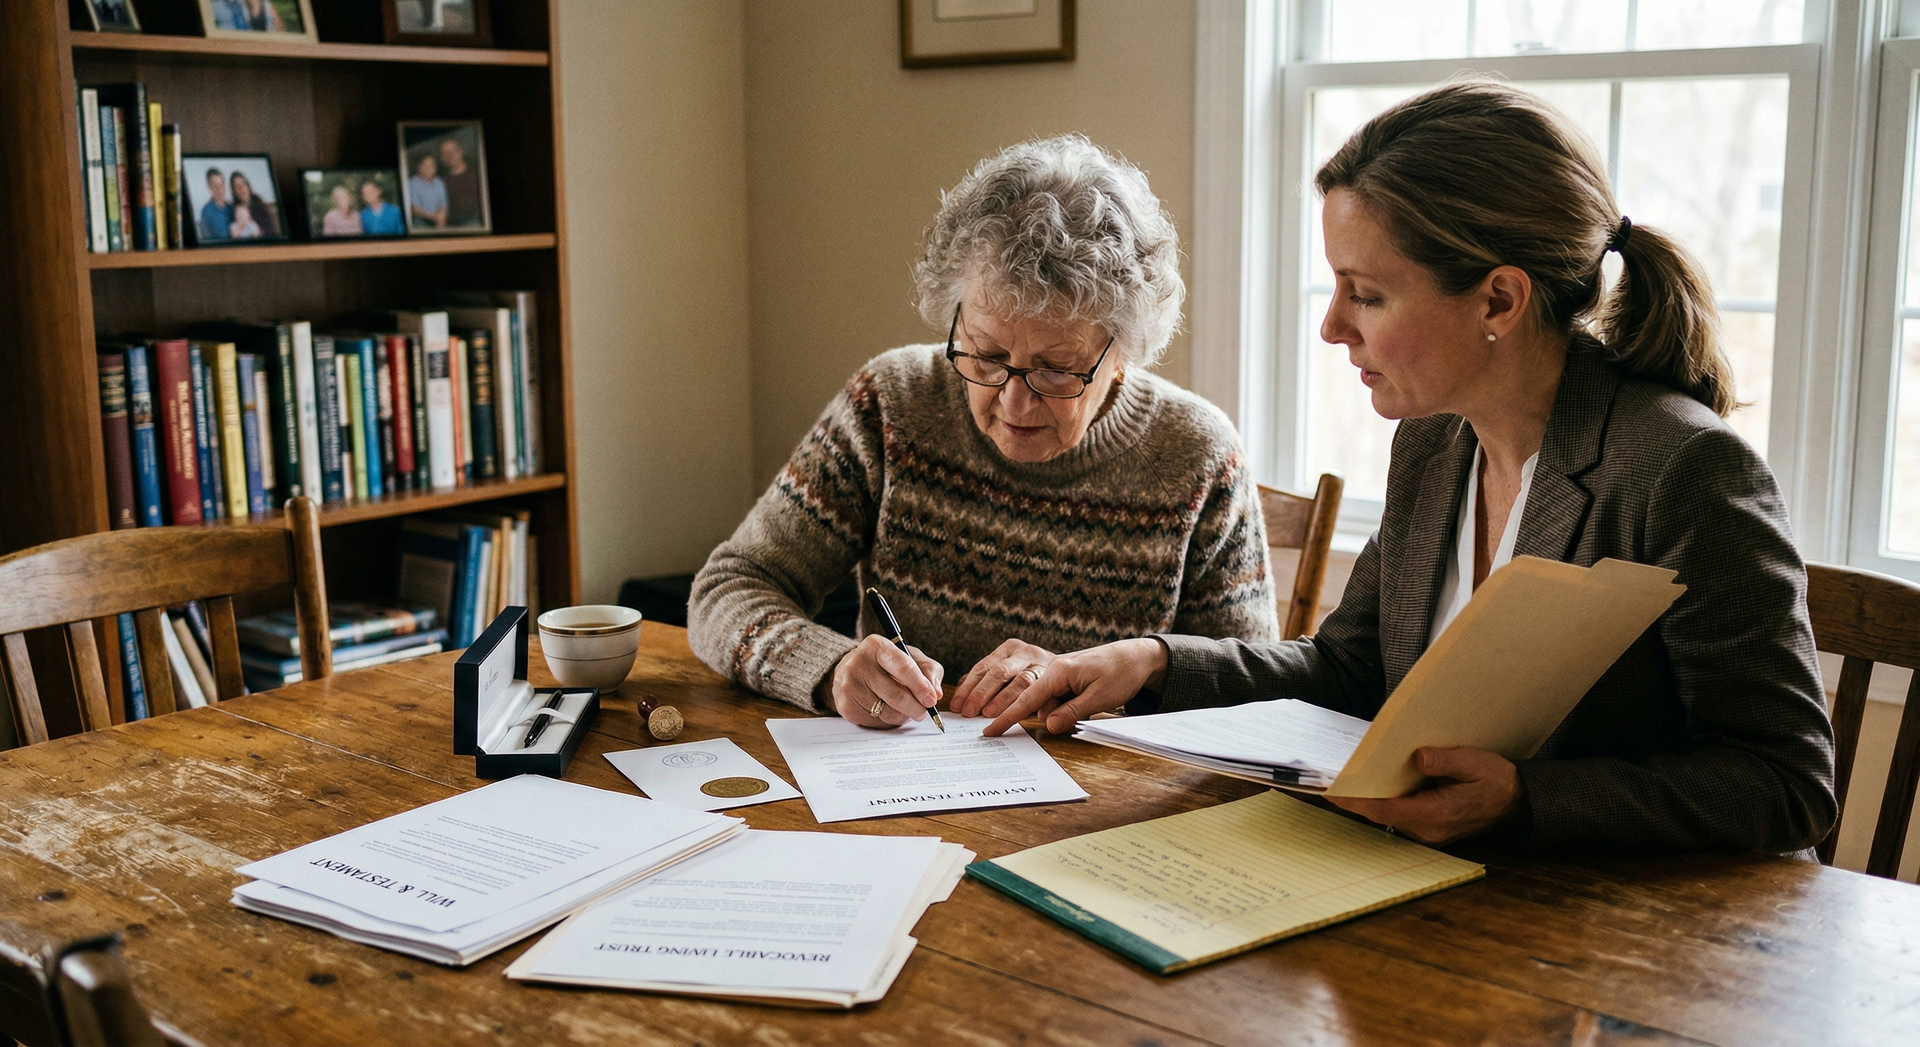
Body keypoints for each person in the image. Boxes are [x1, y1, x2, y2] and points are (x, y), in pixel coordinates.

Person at [985, 83, 1837, 858]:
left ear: (1499, 300)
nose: (1331, 326)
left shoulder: (1685, 468)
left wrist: (1527, 799)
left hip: (1628, 951)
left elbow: (1789, 785)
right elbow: (1353, 672)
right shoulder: (1434, 443)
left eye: (1367, 293)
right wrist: (1151, 662)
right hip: (1435, 893)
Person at [689, 134, 1279, 728]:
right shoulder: (893, 404)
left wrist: (1101, 692)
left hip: (1114, 808)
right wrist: (832, 669)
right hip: (900, 795)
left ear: (1125, 351)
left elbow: (1254, 692)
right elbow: (727, 590)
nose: (1013, 401)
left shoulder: (1197, 455)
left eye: (1055, 369)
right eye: (987, 355)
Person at [438, 136, 484, 228]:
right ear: (442, 158)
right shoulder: (441, 182)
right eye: (445, 153)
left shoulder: (478, 171)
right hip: (456, 226)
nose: (450, 155)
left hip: (479, 222)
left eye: (452, 151)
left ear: (460, 151)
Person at [408, 153, 448, 230]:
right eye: (426, 165)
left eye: (432, 165)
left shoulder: (439, 182)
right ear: (419, 167)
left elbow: (444, 205)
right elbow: (415, 209)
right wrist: (434, 217)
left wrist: (441, 219)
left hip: (437, 219)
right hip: (421, 219)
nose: (430, 168)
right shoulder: (411, 183)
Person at [227, 171, 272, 239]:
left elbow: (270, 229)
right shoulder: (234, 209)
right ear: (234, 191)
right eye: (237, 186)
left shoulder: (258, 201)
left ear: (248, 185)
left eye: (243, 184)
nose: (241, 188)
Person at [197, 169, 232, 243]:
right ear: (209, 188)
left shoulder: (231, 207)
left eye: (221, 184)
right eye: (215, 186)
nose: (219, 189)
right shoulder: (207, 211)